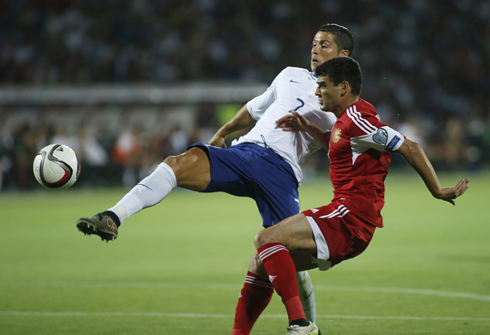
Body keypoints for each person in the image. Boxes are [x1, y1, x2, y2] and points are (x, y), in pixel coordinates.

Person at [76, 23, 354, 328]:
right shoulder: (289, 74)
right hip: (244, 154)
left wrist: (308, 127)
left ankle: (305, 325)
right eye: (314, 43)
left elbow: (341, 145)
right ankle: (113, 216)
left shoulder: (344, 102)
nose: (315, 49)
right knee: (176, 164)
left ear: (344, 54)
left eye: (324, 45)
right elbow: (253, 108)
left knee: (286, 258)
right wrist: (221, 133)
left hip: (282, 172)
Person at [234, 57, 469, 334]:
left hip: (349, 217)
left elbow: (410, 147)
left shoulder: (359, 120)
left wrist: (437, 190)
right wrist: (308, 127)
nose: (317, 91)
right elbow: (340, 145)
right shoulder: (347, 120)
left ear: (343, 88)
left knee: (266, 238)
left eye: (322, 86)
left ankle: (300, 325)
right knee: (260, 263)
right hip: (349, 221)